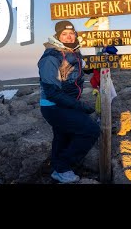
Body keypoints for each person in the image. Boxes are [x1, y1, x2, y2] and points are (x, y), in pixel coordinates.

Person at [38, 20, 100, 183]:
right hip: (54, 106)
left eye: (71, 33)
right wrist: (80, 106)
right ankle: (63, 167)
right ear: (57, 36)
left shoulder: (73, 51)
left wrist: (99, 63)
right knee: (91, 130)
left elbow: (80, 67)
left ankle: (57, 169)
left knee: (62, 136)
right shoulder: (52, 56)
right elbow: (52, 92)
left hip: (66, 103)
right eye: (64, 34)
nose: (68, 36)